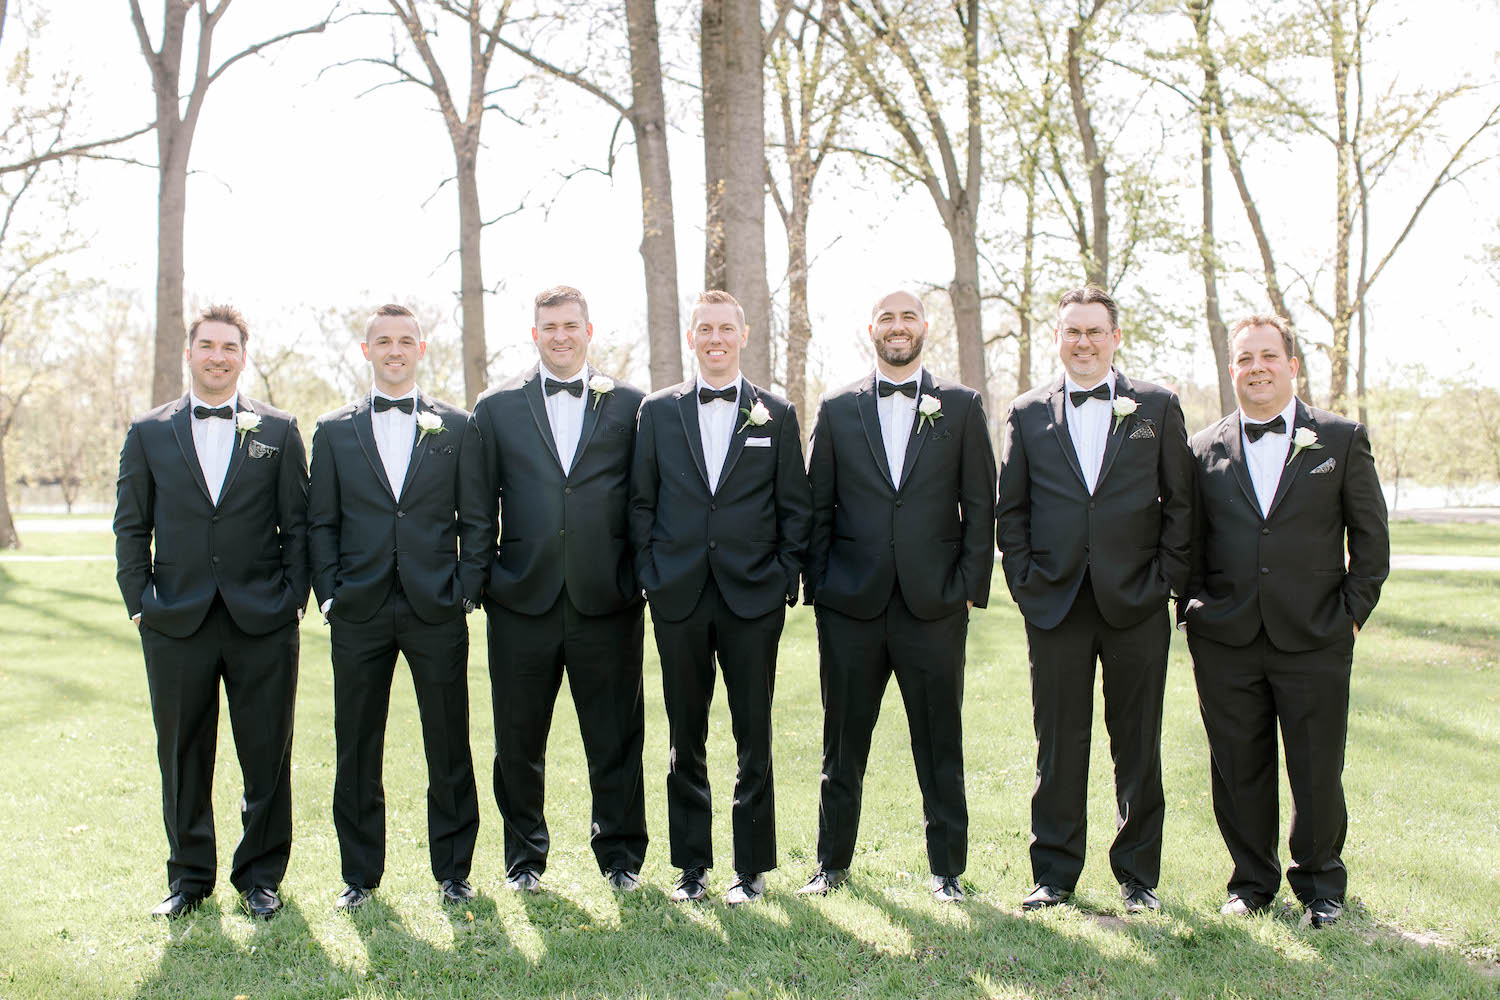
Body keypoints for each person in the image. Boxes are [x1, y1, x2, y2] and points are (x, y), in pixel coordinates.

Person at [1180, 314, 1388, 928]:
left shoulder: (1340, 440)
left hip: (1315, 635)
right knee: (1237, 769)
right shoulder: (1201, 448)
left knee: (1317, 768)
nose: (1257, 368)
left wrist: (1349, 617)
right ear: (1231, 369)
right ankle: (1252, 883)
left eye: (1268, 356)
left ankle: (1321, 885)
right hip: (1226, 638)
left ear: (1292, 366)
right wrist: (1193, 610)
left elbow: (1371, 543)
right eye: (1244, 359)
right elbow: (1185, 542)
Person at [994, 285, 1194, 913]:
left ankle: (1138, 877)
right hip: (1054, 604)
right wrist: (1025, 583)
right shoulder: (1027, 412)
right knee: (1057, 742)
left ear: (1114, 338)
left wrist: (1164, 579)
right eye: (1072, 332)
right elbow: (1012, 509)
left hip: (1136, 601)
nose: (1083, 342)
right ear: (1057, 338)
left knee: (1137, 740)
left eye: (1094, 332)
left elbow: (1181, 505)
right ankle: (1053, 873)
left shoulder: (1155, 407)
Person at [796, 289, 996, 903]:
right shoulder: (836, 408)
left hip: (933, 606)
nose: (898, 325)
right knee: (842, 741)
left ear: (925, 327)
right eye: (887, 316)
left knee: (940, 741)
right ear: (870, 328)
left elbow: (981, 504)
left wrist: (967, 587)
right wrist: (822, 586)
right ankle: (831, 866)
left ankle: (948, 872)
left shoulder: (960, 407)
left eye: (909, 316)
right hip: (850, 606)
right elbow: (816, 506)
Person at [114, 304, 308, 920]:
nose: (218, 357)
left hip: (263, 619)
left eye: (230, 347)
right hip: (175, 621)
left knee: (267, 751)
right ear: (189, 352)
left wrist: (292, 600)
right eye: (208, 346)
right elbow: (130, 525)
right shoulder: (148, 432)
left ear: (243, 357)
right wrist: (139, 604)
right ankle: (189, 879)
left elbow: (297, 527)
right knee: (182, 754)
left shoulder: (277, 430)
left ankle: (260, 877)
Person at [458, 286, 649, 893]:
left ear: (589, 330)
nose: (560, 335)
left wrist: (639, 578)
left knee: (615, 736)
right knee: (517, 739)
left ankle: (619, 857)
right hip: (521, 599)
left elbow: (645, 501)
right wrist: (485, 580)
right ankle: (524, 861)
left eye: (571, 325)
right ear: (534, 333)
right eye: (549, 326)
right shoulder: (496, 408)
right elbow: (478, 504)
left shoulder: (630, 405)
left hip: (608, 599)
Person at [629, 289, 811, 905]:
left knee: (753, 731)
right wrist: (651, 573)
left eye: (725, 328)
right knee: (686, 735)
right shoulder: (656, 412)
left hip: (752, 597)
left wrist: (784, 574)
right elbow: (641, 503)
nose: (714, 338)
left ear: (744, 334)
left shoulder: (776, 415)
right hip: (677, 593)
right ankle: (692, 866)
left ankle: (752, 867)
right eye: (704, 329)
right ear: (690, 337)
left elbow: (795, 508)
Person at [307, 303, 480, 911]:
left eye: (406, 340)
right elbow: (320, 521)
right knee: (356, 745)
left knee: (448, 741)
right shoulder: (332, 431)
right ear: (366, 351)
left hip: (436, 606)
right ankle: (359, 875)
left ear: (422, 349)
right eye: (383, 341)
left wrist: (466, 586)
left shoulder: (456, 427)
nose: (395, 350)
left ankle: (454, 871)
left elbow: (476, 517)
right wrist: (328, 593)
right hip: (358, 610)